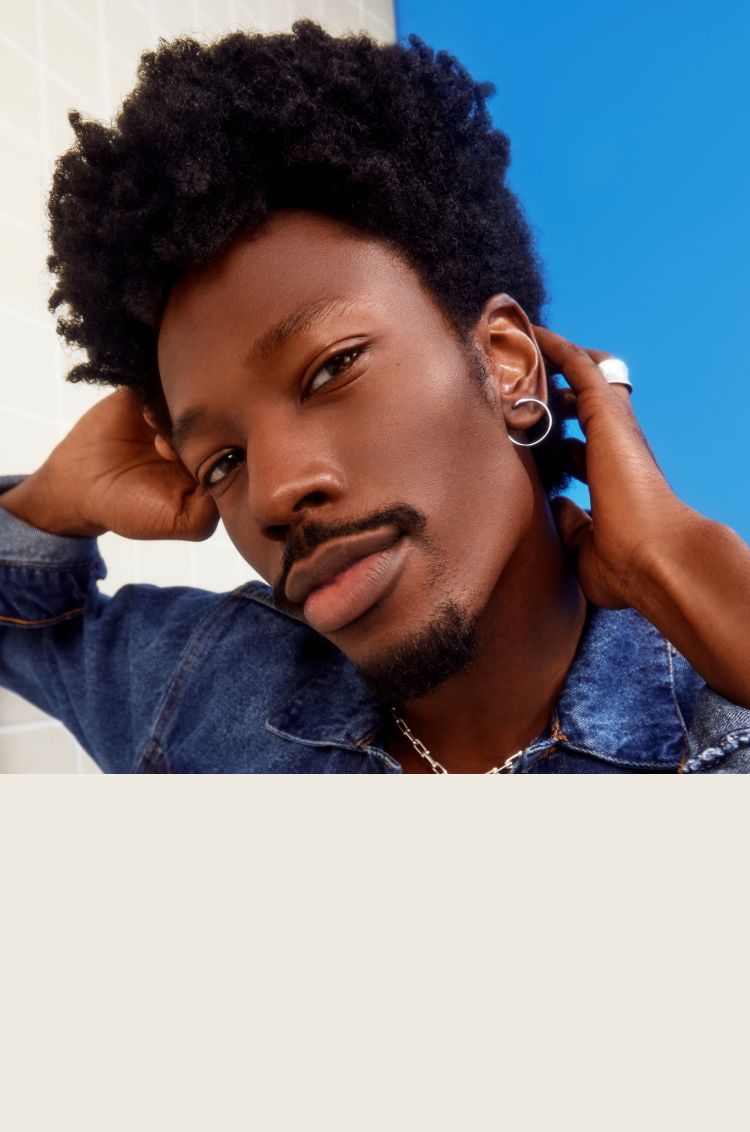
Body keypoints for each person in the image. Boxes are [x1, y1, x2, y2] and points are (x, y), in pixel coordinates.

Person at [1, 21, 748, 774]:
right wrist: (53, 502)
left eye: (331, 371)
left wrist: (677, 566)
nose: (275, 493)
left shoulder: (717, 717)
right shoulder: (200, 686)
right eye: (223, 460)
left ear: (507, 365)